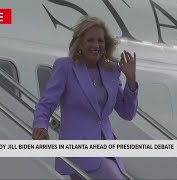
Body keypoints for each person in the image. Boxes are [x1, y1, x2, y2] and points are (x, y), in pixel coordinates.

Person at [32, 16, 138, 180]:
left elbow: (127, 112)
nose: (96, 45)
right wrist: (41, 126)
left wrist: (131, 81)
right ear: (80, 43)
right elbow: (46, 104)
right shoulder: (65, 67)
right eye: (90, 40)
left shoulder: (111, 71)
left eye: (100, 41)